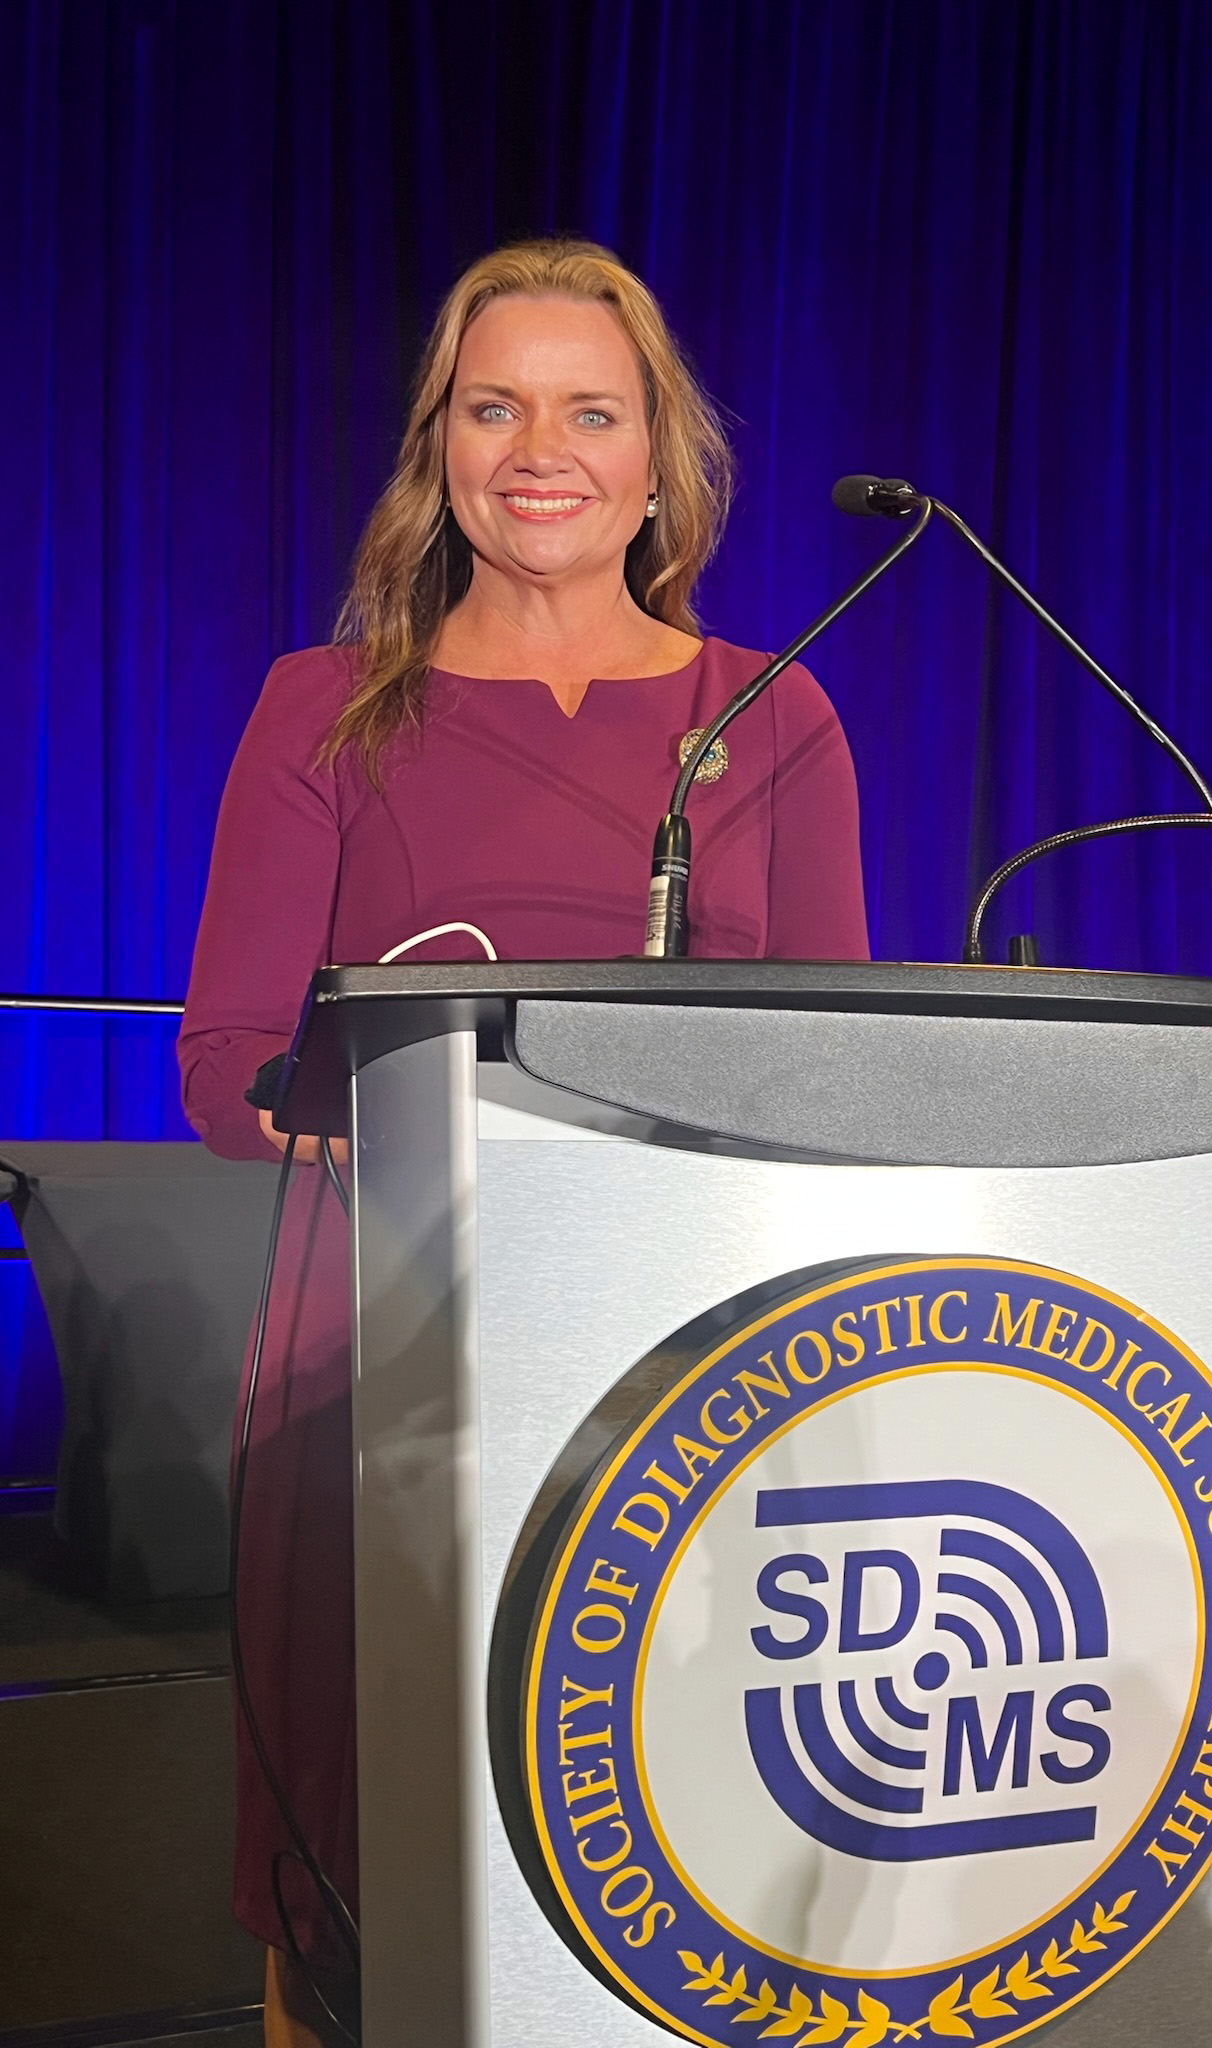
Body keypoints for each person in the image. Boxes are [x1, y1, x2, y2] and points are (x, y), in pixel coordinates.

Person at [177, 238, 868, 2045]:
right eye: (494, 406)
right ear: (440, 447)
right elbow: (232, 1061)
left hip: (689, 1359)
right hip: (390, 1343)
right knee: (370, 1853)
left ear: (661, 460)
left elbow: (846, 1056)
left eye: (588, 409)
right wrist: (369, 1116)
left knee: (660, 1827)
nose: (537, 447)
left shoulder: (775, 715)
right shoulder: (316, 709)